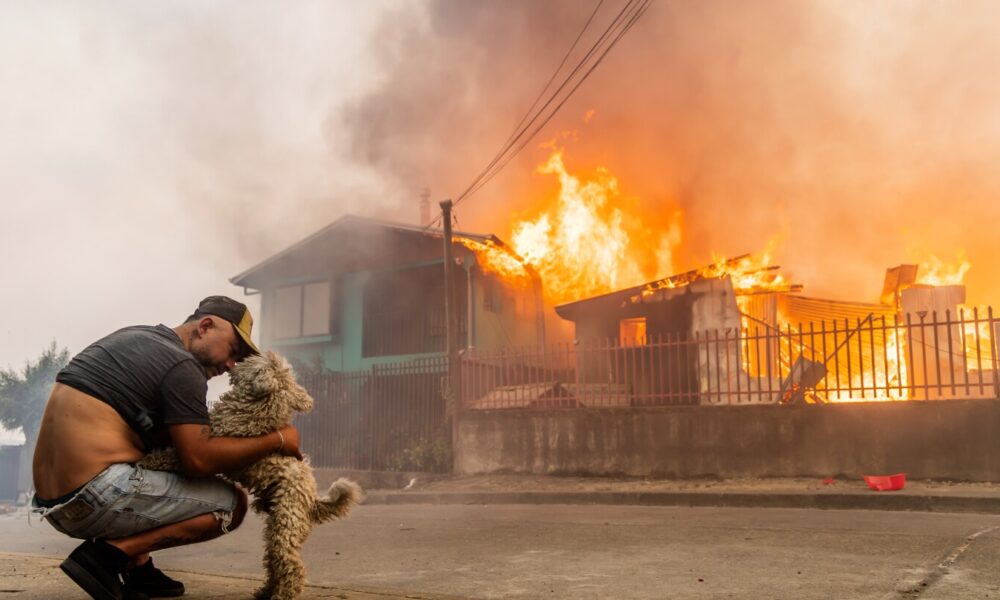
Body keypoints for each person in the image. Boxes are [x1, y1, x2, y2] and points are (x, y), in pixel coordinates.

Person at [32, 296, 303, 600]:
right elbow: (197, 460)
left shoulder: (135, 337)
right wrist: (278, 439)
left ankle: (139, 568)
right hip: (96, 495)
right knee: (231, 504)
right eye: (233, 351)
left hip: (53, 505)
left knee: (148, 456)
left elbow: (159, 442)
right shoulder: (182, 365)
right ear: (205, 326)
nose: (230, 366)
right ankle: (107, 557)